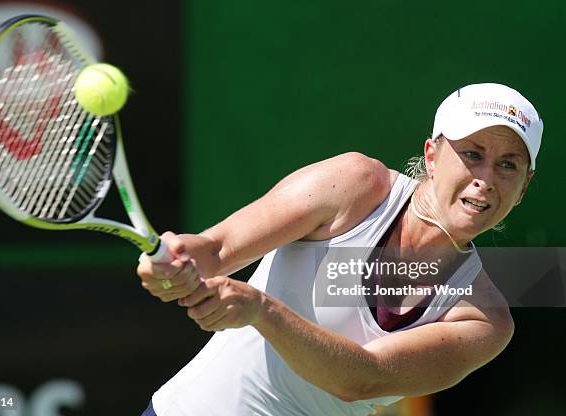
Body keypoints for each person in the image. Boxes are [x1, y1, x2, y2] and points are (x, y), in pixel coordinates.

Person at [137, 83, 543, 416]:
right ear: (432, 156)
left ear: (523, 188)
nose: (486, 179)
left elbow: (363, 379)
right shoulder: (355, 184)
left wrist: (261, 310)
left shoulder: (484, 320)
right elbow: (217, 247)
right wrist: (179, 259)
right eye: (472, 155)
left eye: (508, 165)